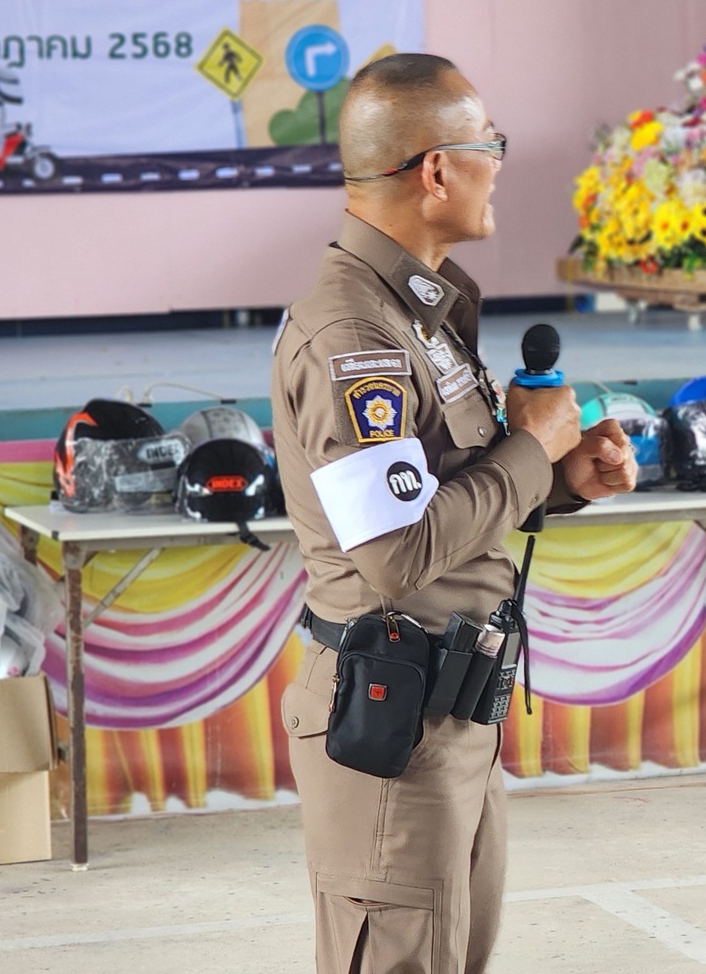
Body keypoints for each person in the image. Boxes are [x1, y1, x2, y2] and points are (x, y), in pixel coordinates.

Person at [272, 52, 639, 974]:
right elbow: (399, 551)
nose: (499, 165)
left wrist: (562, 475)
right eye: (490, 145)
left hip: (451, 708)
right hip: (392, 717)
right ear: (436, 170)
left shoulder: (419, 312)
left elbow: (444, 492)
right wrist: (533, 449)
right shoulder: (354, 333)